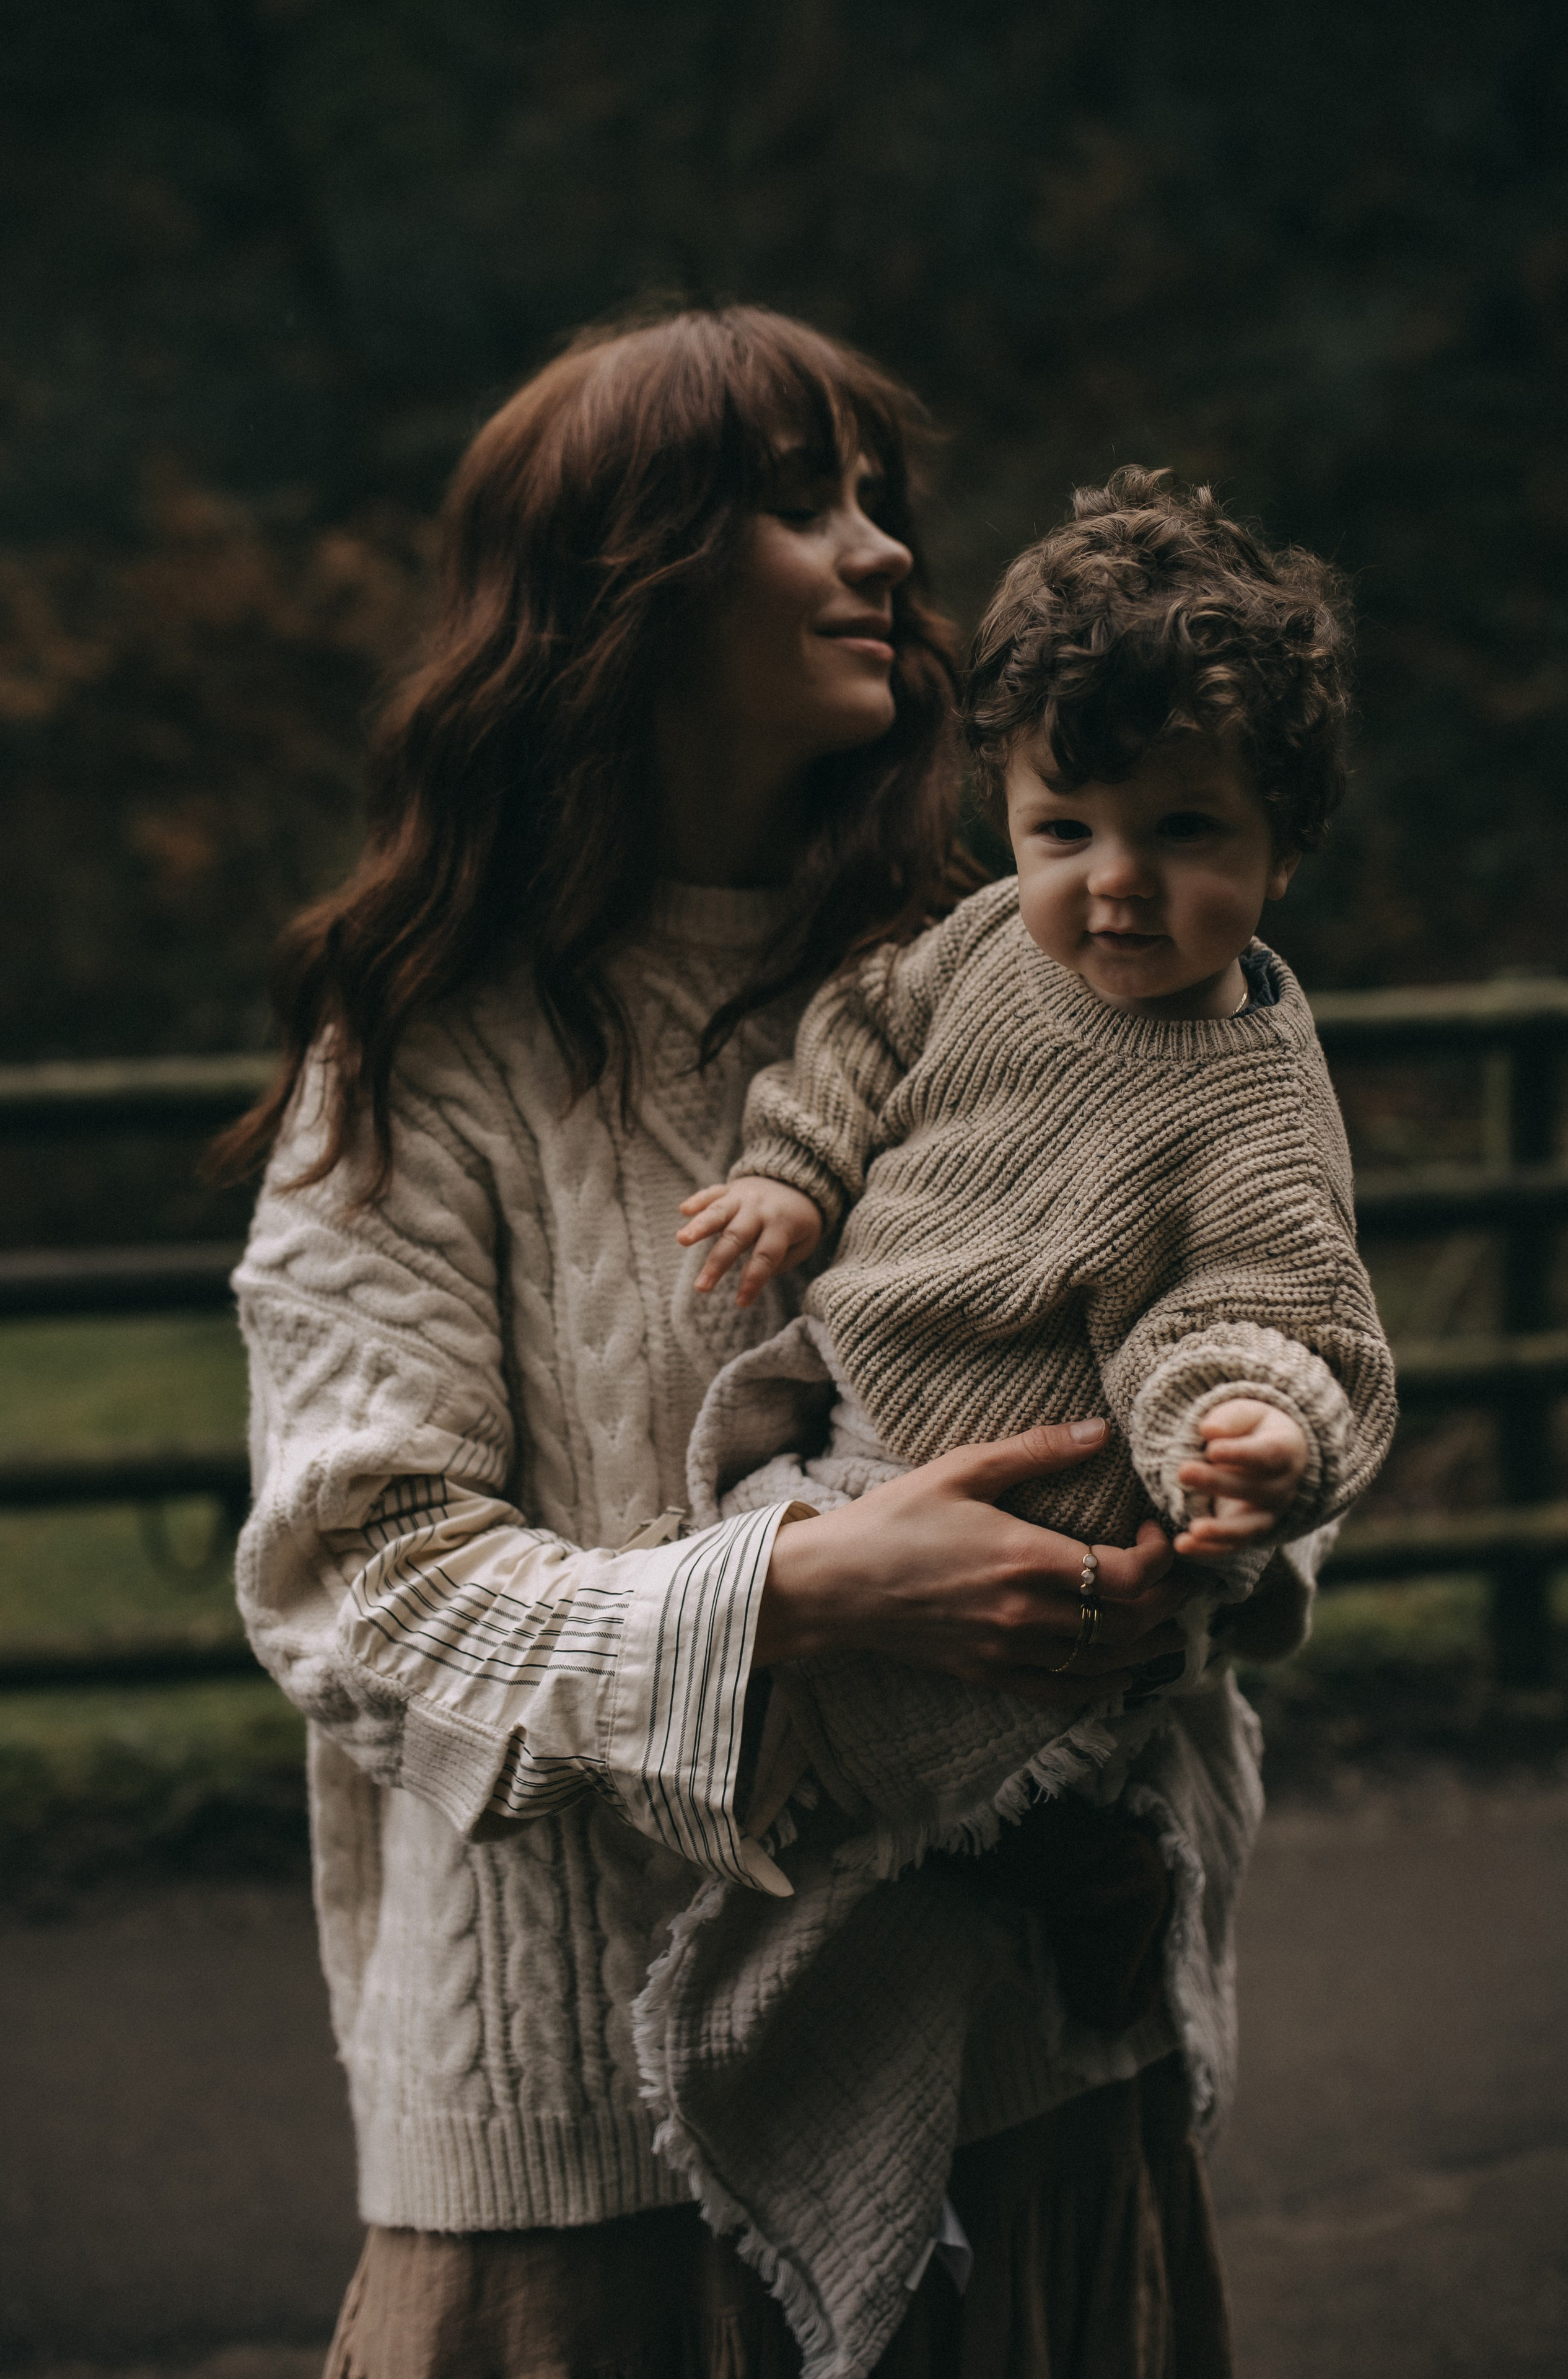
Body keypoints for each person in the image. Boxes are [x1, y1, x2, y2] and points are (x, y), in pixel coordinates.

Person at [220, 313, 1255, 2379]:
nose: (884, 551)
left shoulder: (1005, 970)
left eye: (877, 498)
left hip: (1025, 2070)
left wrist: (1211, 1529)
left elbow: (1230, 1309)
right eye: (801, 503)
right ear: (623, 586)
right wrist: (802, 1593)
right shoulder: (426, 1048)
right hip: (592, 2149)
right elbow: (366, 1589)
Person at [679, 468, 1398, 1793]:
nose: (1115, 879)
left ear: (1282, 846)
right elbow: (867, 1028)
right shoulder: (992, 938)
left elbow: (1265, 1307)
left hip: (1039, 1510)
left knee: (942, 1794)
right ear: (1005, 812)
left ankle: (1040, 1839)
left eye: (1183, 829)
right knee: (751, 1729)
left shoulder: (1252, 1104)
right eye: (1063, 829)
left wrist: (1250, 1427)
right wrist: (795, 1169)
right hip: (851, 1413)